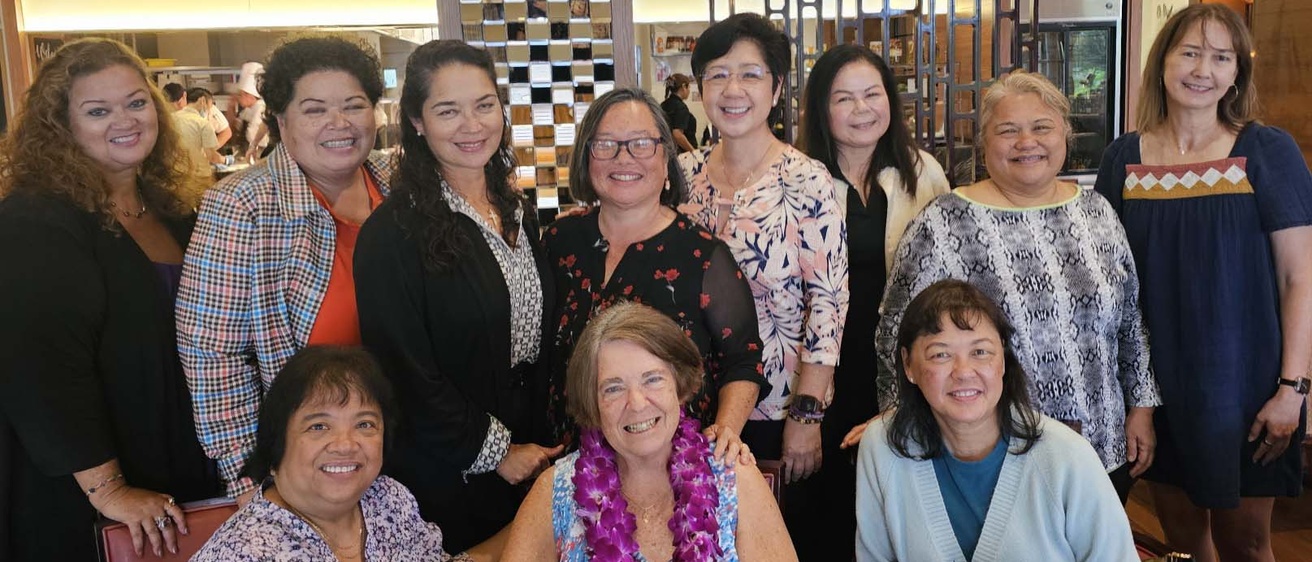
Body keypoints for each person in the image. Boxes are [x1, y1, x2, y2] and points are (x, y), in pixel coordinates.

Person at [869, 71, 1160, 504]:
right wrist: (900, 429)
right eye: (1008, 131)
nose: (1027, 142)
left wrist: (1142, 408)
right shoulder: (943, 222)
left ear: (1065, 133)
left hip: (1100, 441)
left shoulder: (1096, 211)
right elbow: (895, 333)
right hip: (983, 450)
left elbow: (1130, 319)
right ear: (985, 141)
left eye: (1042, 127)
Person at [1094, 5, 1312, 561]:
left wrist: (1294, 387)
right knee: (1182, 538)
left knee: (1247, 539)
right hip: (1155, 385)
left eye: (1220, 57)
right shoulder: (1124, 158)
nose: (1202, 69)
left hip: (1246, 383)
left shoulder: (1266, 151)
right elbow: (1111, 280)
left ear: (1237, 72)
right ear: (1163, 61)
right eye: (1190, 52)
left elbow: (1299, 277)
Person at [0, 38, 219, 561]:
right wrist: (109, 490)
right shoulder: (36, 221)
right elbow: (41, 370)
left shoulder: (172, 210)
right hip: (87, 491)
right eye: (98, 111)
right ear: (61, 126)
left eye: (136, 102)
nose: (125, 120)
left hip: (175, 463)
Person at [353, 39, 561, 552]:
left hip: (532, 456)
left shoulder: (516, 207)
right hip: (450, 472)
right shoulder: (393, 232)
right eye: (448, 111)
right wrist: (496, 452)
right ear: (418, 122)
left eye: (484, 105)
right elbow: (405, 372)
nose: (473, 125)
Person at [177, 35, 390, 507]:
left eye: (354, 106)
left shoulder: (398, 188)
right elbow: (213, 358)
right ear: (280, 119)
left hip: (404, 451)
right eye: (314, 110)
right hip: (307, 469)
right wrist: (254, 480)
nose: (339, 124)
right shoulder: (241, 205)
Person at [679, 13, 848, 559]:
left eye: (750, 74)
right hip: (689, 407)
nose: (733, 89)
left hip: (776, 411)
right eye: (717, 74)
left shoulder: (807, 179)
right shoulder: (682, 173)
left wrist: (806, 414)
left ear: (776, 89)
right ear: (700, 86)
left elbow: (827, 303)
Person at [543, 87, 767, 460]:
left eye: (641, 143)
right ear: (586, 157)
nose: (623, 158)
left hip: (672, 471)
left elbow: (743, 359)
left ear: (665, 158)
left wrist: (726, 429)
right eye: (606, 144)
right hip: (567, 467)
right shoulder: (558, 242)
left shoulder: (703, 256)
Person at [795, 43, 951, 560]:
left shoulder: (921, 170)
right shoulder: (798, 177)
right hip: (819, 364)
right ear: (821, 108)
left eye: (872, 94)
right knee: (825, 500)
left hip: (901, 364)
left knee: (896, 495)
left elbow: (946, 271)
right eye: (844, 98)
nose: (862, 110)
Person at [856, 279, 1137, 561]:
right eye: (940, 354)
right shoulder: (882, 447)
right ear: (908, 365)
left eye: (980, 352)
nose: (963, 371)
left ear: (1002, 359)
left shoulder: (1067, 458)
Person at [501, 302, 798, 562]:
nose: (637, 403)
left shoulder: (735, 479)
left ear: (679, 386)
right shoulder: (557, 493)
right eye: (613, 388)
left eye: (652, 379)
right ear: (593, 402)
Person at [192, 346, 497, 561]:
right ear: (275, 447)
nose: (345, 444)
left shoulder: (388, 498)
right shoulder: (247, 552)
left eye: (365, 424)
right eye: (318, 426)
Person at [171, 86, 223, 208]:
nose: (209, 110)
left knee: (183, 211)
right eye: (210, 106)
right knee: (205, 211)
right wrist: (225, 160)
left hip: (176, 177)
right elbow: (212, 157)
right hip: (199, 178)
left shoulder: (171, 119)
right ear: (202, 101)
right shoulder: (202, 123)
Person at [231, 61, 270, 160]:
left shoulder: (261, 107)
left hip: (261, 153)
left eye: (240, 95)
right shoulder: (248, 110)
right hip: (251, 152)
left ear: (249, 95)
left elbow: (253, 135)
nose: (238, 98)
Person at [661, 73, 698, 153]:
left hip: (668, 152)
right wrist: (693, 151)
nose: (689, 91)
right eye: (689, 88)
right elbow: (677, 134)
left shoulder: (663, 105)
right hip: (682, 156)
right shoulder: (681, 107)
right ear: (684, 86)